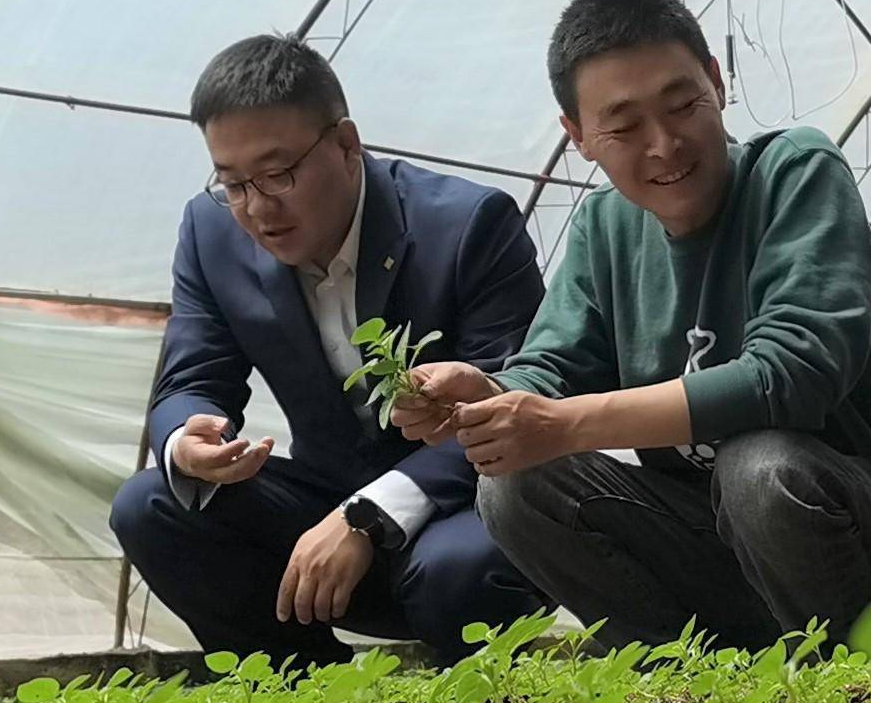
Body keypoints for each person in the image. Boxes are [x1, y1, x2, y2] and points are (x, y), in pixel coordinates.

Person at [392, 0, 871, 649]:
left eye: (682, 104)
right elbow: (553, 367)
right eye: (624, 126)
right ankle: (687, 678)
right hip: (723, 559)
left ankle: (853, 681)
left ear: (716, 82)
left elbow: (789, 375)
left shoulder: (794, 171)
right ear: (577, 135)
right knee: (513, 484)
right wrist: (493, 396)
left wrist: (565, 423)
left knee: (759, 466)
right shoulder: (604, 227)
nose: (665, 144)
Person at [115, 34, 550, 664]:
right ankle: (298, 701)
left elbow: (514, 403)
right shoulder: (210, 233)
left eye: (278, 174)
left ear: (346, 144)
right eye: (232, 183)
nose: (258, 209)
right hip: (321, 515)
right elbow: (192, 376)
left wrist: (366, 518)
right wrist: (188, 439)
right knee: (150, 505)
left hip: (465, 510)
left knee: (461, 568)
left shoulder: (467, 225)